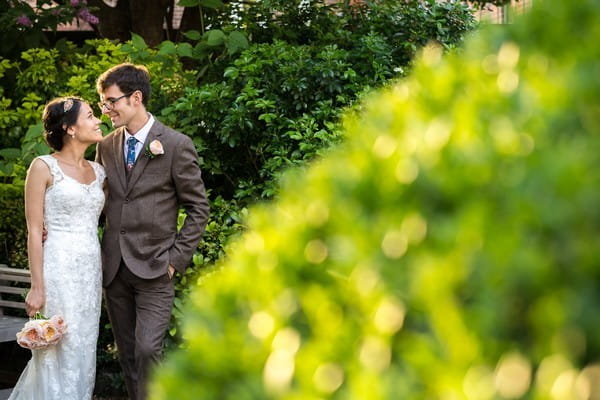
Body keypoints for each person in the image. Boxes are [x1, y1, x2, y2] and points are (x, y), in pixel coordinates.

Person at [95, 63, 209, 400]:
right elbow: (100, 203)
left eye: (111, 101)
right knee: (128, 355)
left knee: (148, 350)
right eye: (103, 103)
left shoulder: (174, 145)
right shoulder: (105, 146)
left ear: (136, 98)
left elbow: (198, 208)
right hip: (115, 269)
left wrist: (175, 259)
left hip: (156, 269)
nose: (106, 110)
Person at [9, 97, 105, 399]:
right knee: (56, 347)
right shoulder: (43, 167)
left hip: (90, 272)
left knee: (83, 347)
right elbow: (35, 230)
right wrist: (37, 286)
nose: (98, 120)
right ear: (70, 129)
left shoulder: (100, 171)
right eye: (90, 116)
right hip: (58, 268)